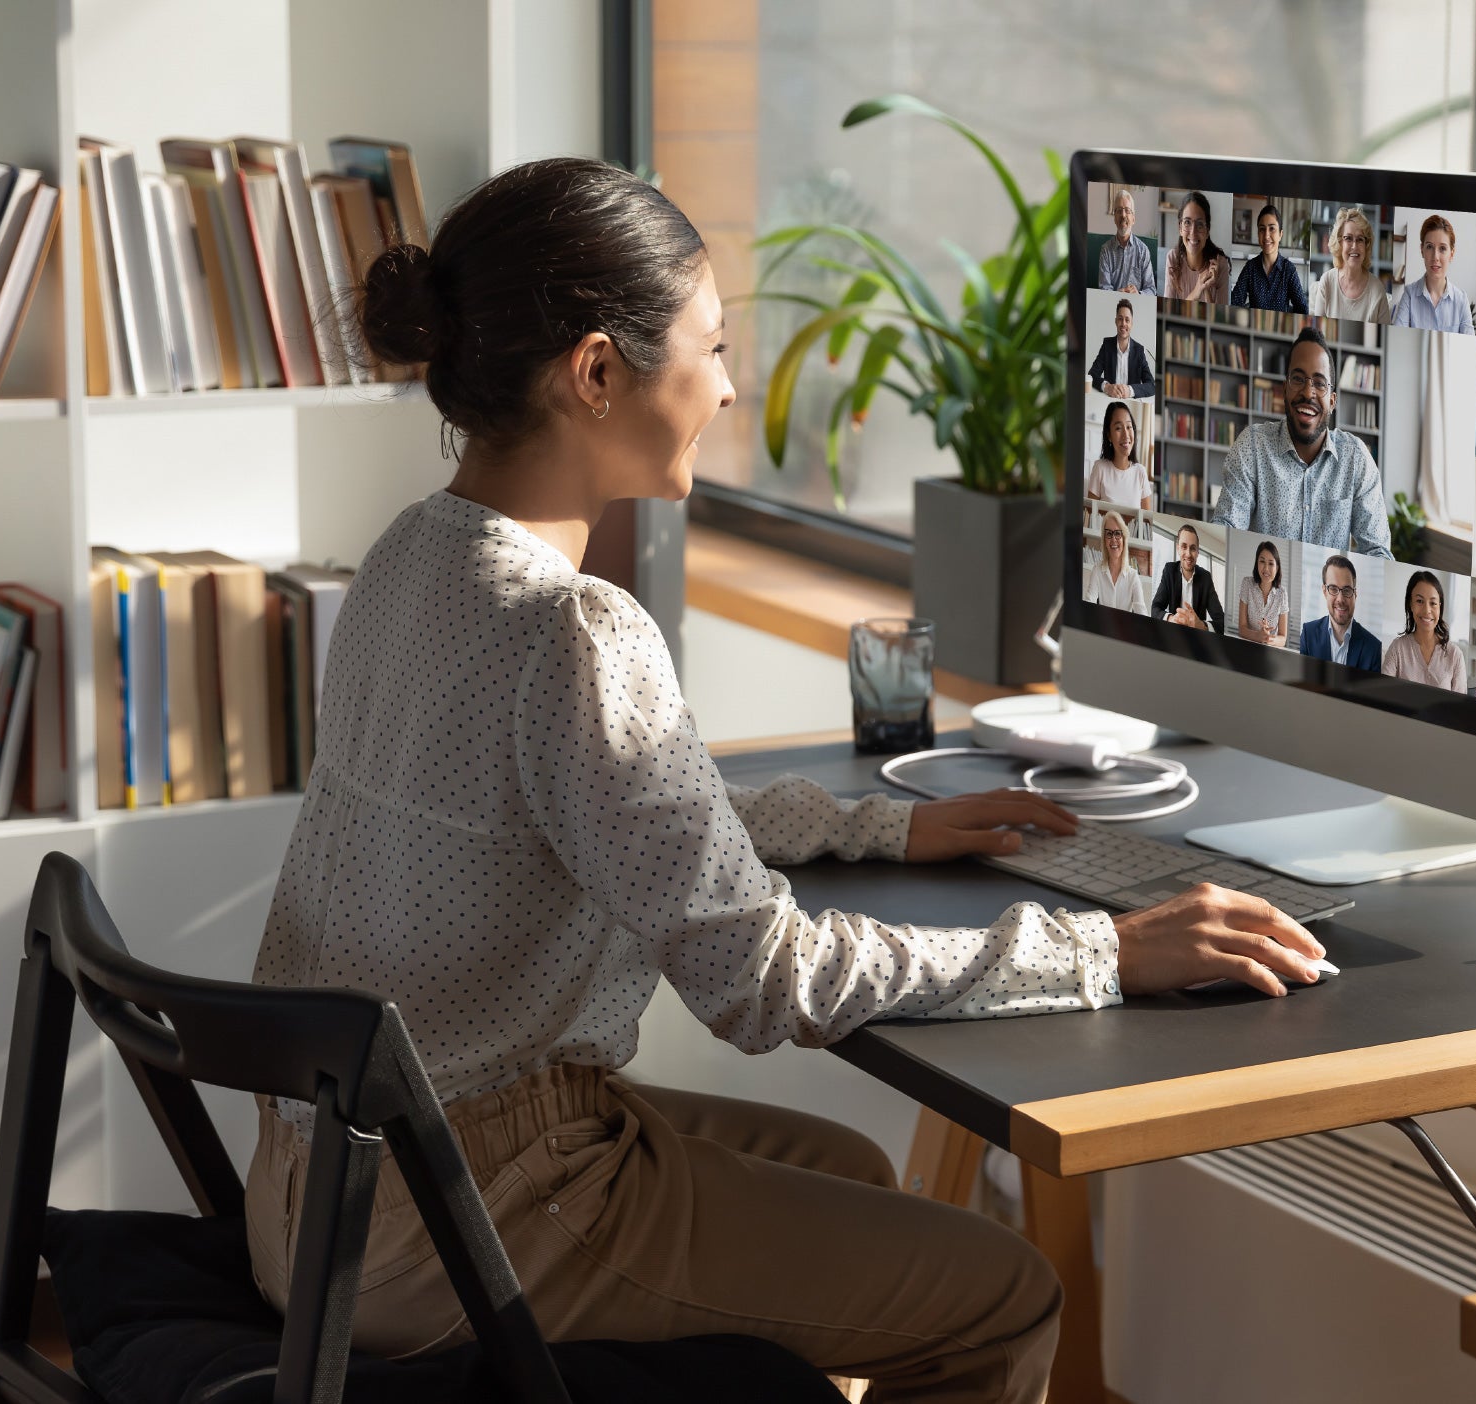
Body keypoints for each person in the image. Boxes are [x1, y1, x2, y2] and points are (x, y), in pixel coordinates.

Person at [247, 157, 1327, 1404]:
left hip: (326, 1188)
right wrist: (1106, 954)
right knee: (1000, 1299)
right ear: (596, 374)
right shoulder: (574, 633)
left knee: (856, 1179)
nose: (728, 384)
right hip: (469, 1215)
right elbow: (769, 986)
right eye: (709, 348)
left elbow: (594, 816)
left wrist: (878, 831)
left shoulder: (409, 559)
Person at [1214, 327, 1390, 556]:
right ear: (1285, 389)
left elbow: (1378, 551)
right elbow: (1227, 528)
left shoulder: (1356, 459)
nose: (1308, 392)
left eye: (1319, 383)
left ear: (1333, 400)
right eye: (1298, 379)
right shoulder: (1253, 446)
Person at [1382, 570, 1466, 690]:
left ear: (1440, 607)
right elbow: (1384, 694)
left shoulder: (1455, 655)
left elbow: (1460, 707)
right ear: (1411, 604)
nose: (1427, 610)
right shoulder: (1398, 648)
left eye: (1433, 603)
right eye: (1419, 601)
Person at [1389, 213, 1472, 332]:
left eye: (1442, 248)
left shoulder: (1461, 300)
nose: (1435, 257)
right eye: (1429, 247)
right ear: (1422, 250)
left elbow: (1468, 347)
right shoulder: (1409, 295)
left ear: (1451, 254)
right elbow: (1398, 339)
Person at [1299, 554, 1382, 670]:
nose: (1340, 599)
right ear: (1324, 592)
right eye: (1333, 589)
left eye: (1347, 590)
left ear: (1355, 594)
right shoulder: (1308, 635)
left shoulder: (1373, 648)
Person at [1309, 206, 1390, 323]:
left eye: (1360, 239)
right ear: (1339, 243)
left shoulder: (1378, 291)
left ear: (1366, 246)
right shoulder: (1326, 281)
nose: (1354, 246)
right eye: (1348, 238)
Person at [1229, 202, 1307, 312]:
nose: (1266, 235)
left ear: (1280, 234)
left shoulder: (1289, 270)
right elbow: (1234, 302)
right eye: (1262, 229)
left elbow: (1302, 309)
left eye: (1272, 229)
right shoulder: (1250, 268)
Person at [1149, 522, 1224, 631]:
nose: (1188, 554)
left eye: (1193, 548)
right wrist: (1171, 619)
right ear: (1178, 548)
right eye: (1184, 547)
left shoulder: (1205, 577)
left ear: (1198, 552)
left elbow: (1221, 621)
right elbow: (1155, 608)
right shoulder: (1169, 571)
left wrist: (1202, 626)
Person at [1084, 400, 1153, 513]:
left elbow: (1146, 522)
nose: (1126, 435)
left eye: (1129, 427)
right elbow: (1089, 516)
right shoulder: (1100, 468)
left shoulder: (1140, 472)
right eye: (1118, 428)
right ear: (1109, 435)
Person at [1164, 190, 1230, 305]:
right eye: (1187, 222)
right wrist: (1197, 290)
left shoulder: (1221, 264)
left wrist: (1206, 288)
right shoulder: (1172, 258)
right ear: (1180, 228)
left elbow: (1218, 321)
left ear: (1207, 230)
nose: (1193, 233)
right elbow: (1168, 312)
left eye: (1200, 224)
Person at [1095, 186, 1160, 295]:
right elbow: (1103, 288)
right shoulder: (1105, 250)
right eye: (1119, 210)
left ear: (1133, 219)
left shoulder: (1143, 251)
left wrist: (1138, 294)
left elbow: (1151, 289)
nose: (1123, 215)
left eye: (1127, 211)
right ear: (1114, 218)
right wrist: (1117, 294)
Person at [1087, 297, 1154, 400]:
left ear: (1131, 324)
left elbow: (1151, 385)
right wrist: (1107, 387)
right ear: (1115, 321)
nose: (1123, 323)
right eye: (1120, 319)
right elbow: (1092, 375)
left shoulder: (1139, 351)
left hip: (1131, 404)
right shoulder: (1107, 345)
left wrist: (1130, 390)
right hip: (1109, 401)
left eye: (1127, 320)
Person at [1083, 510, 1146, 613]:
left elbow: (1141, 611)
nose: (1113, 539)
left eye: (1117, 533)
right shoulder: (1097, 570)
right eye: (1109, 533)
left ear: (1124, 539)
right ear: (1104, 540)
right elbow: (1090, 601)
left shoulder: (1133, 576)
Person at [1236, 538, 1289, 647]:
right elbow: (1242, 628)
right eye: (1262, 561)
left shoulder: (1282, 593)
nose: (1266, 568)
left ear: (1277, 567)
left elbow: (1283, 638)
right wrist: (1258, 636)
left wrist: (1269, 639)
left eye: (1271, 563)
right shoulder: (1247, 584)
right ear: (1257, 563)